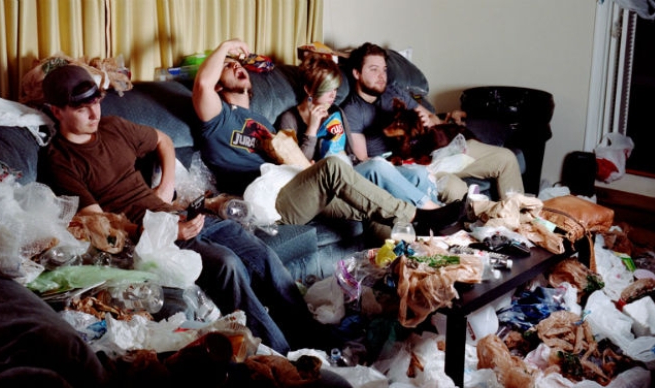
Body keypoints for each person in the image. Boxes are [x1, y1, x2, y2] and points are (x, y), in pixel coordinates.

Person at [39, 64, 336, 354]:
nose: (94, 114)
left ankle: (315, 339)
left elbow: (164, 140)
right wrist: (169, 229)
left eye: (96, 103)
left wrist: (166, 187)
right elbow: (99, 224)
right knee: (228, 265)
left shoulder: (113, 127)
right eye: (81, 109)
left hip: (179, 215)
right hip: (148, 239)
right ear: (57, 111)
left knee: (263, 256)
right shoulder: (60, 159)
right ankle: (288, 358)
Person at [191, 38, 460, 240]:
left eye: (238, 64)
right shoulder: (217, 119)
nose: (237, 67)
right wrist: (227, 46)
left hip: (295, 184)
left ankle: (422, 250)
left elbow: (295, 157)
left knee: (369, 203)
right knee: (333, 168)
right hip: (269, 199)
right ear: (217, 84)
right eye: (228, 66)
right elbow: (202, 84)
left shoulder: (260, 120)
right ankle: (415, 216)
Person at [341, 42, 525, 203]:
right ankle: (490, 226)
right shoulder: (353, 110)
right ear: (356, 73)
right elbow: (365, 162)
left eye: (384, 69)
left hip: (436, 152)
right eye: (374, 69)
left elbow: (432, 119)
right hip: (409, 167)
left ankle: (519, 225)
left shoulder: (394, 92)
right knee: (456, 190)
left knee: (506, 158)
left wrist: (430, 122)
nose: (382, 76)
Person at [276, 53, 443, 210]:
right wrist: (311, 130)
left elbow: (350, 153)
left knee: (419, 173)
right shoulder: (289, 118)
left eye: (335, 89)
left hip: (350, 172)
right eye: (327, 89)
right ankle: (432, 212)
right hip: (325, 182)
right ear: (309, 90)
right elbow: (295, 167)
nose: (333, 95)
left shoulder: (335, 111)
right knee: (377, 165)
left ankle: (439, 230)